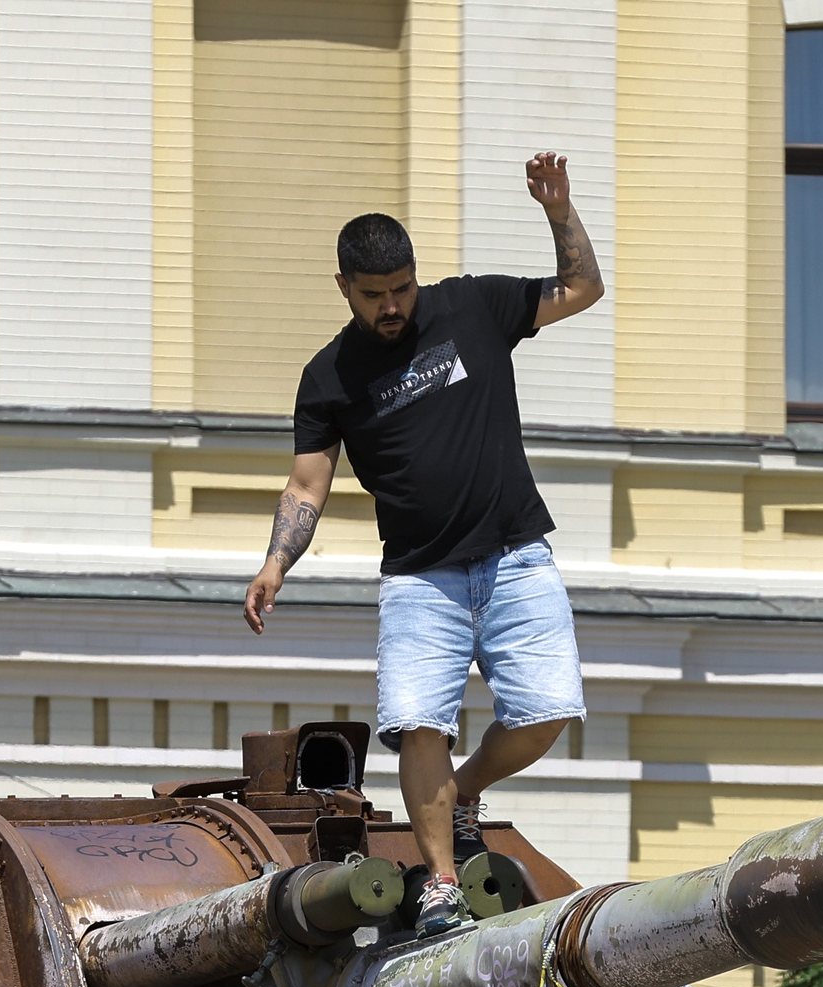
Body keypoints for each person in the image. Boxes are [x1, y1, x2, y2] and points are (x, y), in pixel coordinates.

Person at [244, 151, 604, 938]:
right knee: (417, 720)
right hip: (419, 578)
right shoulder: (329, 375)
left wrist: (558, 210)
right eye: (375, 296)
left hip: (514, 553)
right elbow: (308, 485)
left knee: (548, 709)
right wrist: (276, 562)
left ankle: (468, 788)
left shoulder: (473, 307)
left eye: (402, 289)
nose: (393, 306)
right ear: (344, 288)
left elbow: (581, 289)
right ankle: (441, 879)